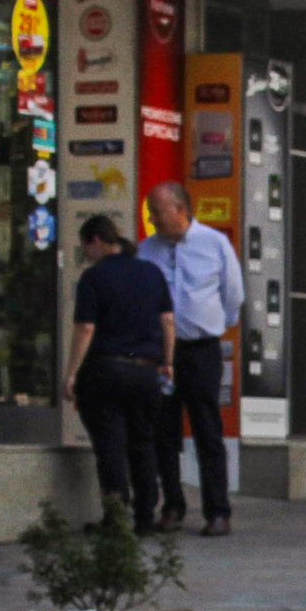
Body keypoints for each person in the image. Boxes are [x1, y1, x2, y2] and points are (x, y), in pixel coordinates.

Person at [138, 182, 244, 536]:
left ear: (180, 209)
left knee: (206, 430)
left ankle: (217, 510)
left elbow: (233, 295)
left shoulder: (214, 244)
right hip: (159, 354)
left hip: (199, 349)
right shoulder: (146, 251)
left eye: (157, 211)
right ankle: (172, 504)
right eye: (150, 211)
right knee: (162, 431)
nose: (151, 218)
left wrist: (212, 324)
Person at [60, 215, 174, 532]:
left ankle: (114, 515)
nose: (86, 254)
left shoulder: (94, 278)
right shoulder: (152, 273)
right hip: (146, 373)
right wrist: (168, 361)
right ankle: (145, 516)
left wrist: (71, 374)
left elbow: (85, 328)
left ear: (96, 240)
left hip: (105, 370)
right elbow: (168, 321)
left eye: (85, 247)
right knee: (142, 442)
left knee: (109, 445)